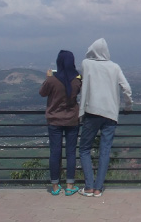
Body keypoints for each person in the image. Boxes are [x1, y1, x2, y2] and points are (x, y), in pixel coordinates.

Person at [78, 38, 133, 197]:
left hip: (92, 112)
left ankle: (88, 186)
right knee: (105, 150)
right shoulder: (115, 67)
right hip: (110, 114)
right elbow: (127, 89)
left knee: (84, 149)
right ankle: (98, 188)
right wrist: (127, 107)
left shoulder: (86, 64)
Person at [39, 50, 82, 196]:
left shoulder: (52, 80)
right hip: (72, 119)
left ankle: (55, 186)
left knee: (55, 152)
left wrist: (48, 77)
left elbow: (42, 93)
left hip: (54, 120)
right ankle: (70, 185)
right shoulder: (77, 80)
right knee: (71, 153)